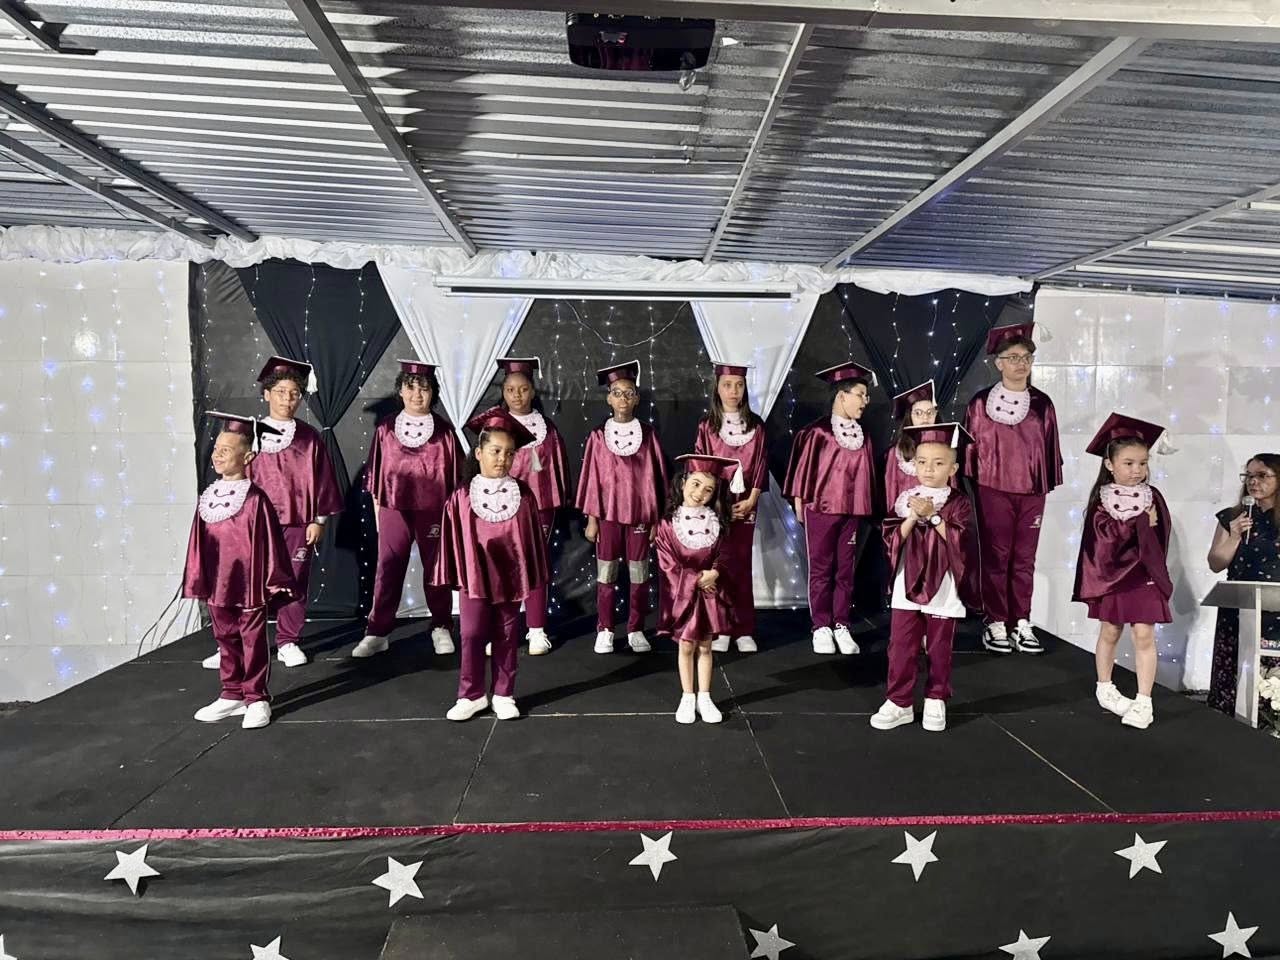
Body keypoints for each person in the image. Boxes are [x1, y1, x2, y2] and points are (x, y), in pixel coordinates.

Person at [195, 357, 341, 671]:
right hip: (252, 524)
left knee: (293, 582)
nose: (287, 399)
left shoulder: (309, 437)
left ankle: (287, 641)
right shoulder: (247, 436)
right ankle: (231, 645)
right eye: (280, 392)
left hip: (296, 523)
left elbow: (323, 479)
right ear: (266, 395)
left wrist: (319, 520)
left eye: (294, 394)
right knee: (242, 584)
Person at [183, 413, 297, 730]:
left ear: (247, 457)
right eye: (216, 449)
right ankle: (231, 692)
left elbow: (270, 542)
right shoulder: (209, 498)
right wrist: (199, 577)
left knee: (252, 640)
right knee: (225, 637)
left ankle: (256, 697)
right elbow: (198, 541)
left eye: (227, 450)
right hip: (217, 584)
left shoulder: (255, 499)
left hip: (248, 584)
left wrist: (271, 579)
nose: (218, 455)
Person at [435, 408, 550, 721]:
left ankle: (503, 693)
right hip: (474, 577)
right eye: (495, 451)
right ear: (479, 453)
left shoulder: (523, 495)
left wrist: (528, 573)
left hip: (509, 578)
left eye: (509, 453)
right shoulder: (461, 496)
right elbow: (452, 541)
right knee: (471, 633)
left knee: (507, 634)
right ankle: (471, 695)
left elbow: (530, 540)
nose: (502, 458)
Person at [870, 423, 977, 734]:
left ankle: (935, 698)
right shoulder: (906, 498)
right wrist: (913, 516)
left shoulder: (958, 502)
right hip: (907, 580)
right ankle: (899, 701)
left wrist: (933, 515)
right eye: (922, 462)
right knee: (900, 645)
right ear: (913, 464)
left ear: (953, 468)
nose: (929, 469)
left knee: (939, 646)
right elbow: (891, 536)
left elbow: (961, 541)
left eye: (939, 463)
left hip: (943, 584)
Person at [963, 321, 1063, 656]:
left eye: (1027, 358)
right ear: (999, 363)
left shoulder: (1042, 404)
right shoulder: (980, 403)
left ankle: (1021, 620)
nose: (1021, 364)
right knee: (996, 557)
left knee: (1024, 560)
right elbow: (970, 450)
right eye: (1014, 357)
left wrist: (1043, 484)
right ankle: (995, 620)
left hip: (1031, 490)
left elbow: (1049, 448)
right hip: (993, 488)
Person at [355, 359, 463, 658]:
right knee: (388, 569)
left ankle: (441, 625)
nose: (417, 395)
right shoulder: (386, 430)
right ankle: (378, 632)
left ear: (433, 393)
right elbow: (376, 477)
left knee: (436, 570)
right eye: (410, 388)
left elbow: (456, 481)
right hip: (393, 508)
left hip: (434, 511)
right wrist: (379, 514)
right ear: (400, 391)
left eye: (424, 389)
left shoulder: (444, 432)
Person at [1072, 414, 1172, 731]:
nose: (1136, 470)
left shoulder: (1152, 496)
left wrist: (1143, 529)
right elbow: (1104, 539)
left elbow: (1160, 535)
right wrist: (1139, 523)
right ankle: (1105, 686)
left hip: (1143, 574)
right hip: (1113, 576)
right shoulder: (1102, 500)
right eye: (1128, 463)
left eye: (1142, 463)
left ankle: (1144, 701)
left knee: (1144, 634)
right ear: (1110, 464)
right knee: (1110, 631)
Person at [783, 361, 877, 656]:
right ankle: (821, 625)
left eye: (866, 396)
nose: (865, 401)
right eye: (860, 394)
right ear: (842, 395)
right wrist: (799, 503)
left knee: (845, 569)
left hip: (851, 511)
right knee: (821, 569)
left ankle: (841, 623)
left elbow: (866, 476)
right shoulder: (818, 432)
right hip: (821, 509)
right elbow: (803, 470)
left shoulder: (864, 436)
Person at [575, 360, 669, 654]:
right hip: (607, 516)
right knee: (606, 575)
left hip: (640, 517)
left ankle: (635, 628)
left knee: (639, 575)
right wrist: (592, 519)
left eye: (629, 393)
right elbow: (592, 479)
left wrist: (656, 520)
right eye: (617, 393)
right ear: (609, 398)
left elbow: (658, 479)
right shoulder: (598, 436)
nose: (623, 399)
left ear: (637, 398)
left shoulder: (648, 435)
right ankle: (605, 629)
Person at [655, 454, 740, 724]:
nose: (700, 493)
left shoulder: (716, 522)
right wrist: (694, 579)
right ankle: (687, 696)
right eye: (695, 484)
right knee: (686, 646)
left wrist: (715, 572)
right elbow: (667, 565)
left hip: (709, 594)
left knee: (705, 647)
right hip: (685, 597)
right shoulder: (669, 525)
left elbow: (724, 553)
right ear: (683, 483)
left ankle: (705, 696)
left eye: (708, 489)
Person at [496, 356, 571, 655]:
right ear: (503, 392)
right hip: (501, 504)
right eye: (510, 389)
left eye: (523, 389)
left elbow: (556, 467)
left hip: (540, 506)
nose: (517, 395)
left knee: (535, 562)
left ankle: (537, 629)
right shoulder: (495, 426)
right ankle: (502, 631)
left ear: (533, 391)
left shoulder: (546, 428)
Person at [693, 360, 768, 654]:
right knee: (718, 564)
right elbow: (701, 468)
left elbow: (760, 463)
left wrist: (752, 499)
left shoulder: (756, 426)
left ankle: (744, 628)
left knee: (742, 564)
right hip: (716, 506)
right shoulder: (707, 426)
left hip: (747, 504)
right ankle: (721, 628)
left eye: (739, 385)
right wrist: (717, 504)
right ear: (717, 388)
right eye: (727, 385)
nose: (733, 391)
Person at [1207, 453, 1280, 714]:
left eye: (1262, 475)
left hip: (1276, 610)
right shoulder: (1233, 517)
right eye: (1248, 476)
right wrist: (1235, 535)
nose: (1253, 481)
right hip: (1239, 608)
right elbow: (1216, 563)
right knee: (1236, 669)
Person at [885, 380, 954, 512]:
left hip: (937, 517)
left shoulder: (946, 448)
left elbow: (953, 490)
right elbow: (891, 491)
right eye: (918, 413)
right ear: (909, 416)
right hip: (905, 518)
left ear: (936, 415)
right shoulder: (896, 453)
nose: (925, 418)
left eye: (930, 412)